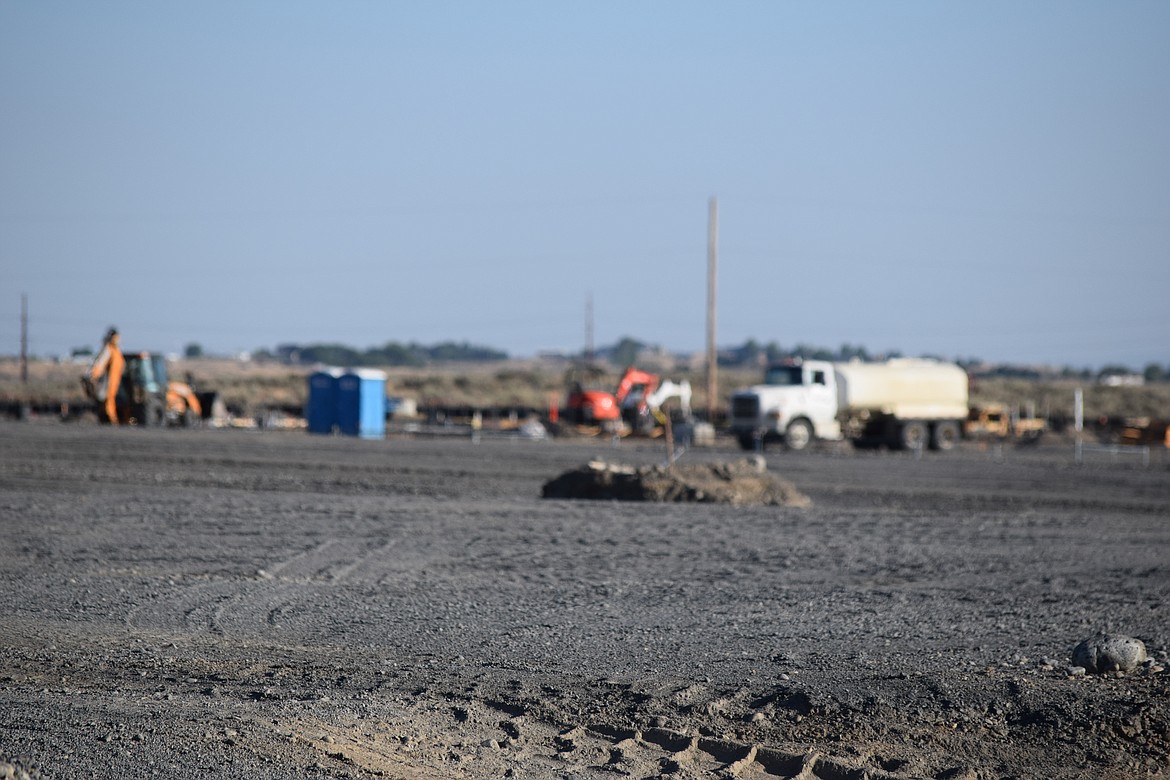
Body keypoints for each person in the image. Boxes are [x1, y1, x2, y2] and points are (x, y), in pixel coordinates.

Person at [88, 327, 125, 424]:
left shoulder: (116, 351)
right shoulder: (109, 350)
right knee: (108, 400)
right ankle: (112, 420)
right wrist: (93, 375)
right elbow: (100, 364)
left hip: (117, 383)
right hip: (111, 382)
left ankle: (113, 419)